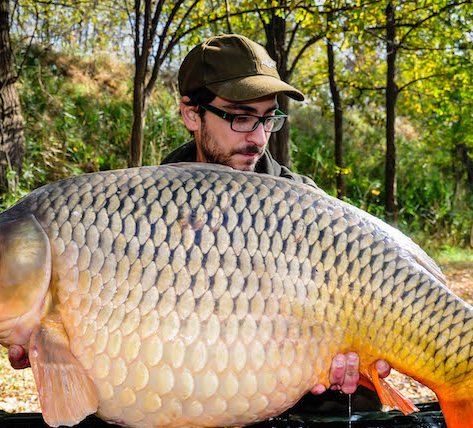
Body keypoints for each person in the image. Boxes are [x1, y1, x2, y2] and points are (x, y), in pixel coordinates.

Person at [161, 34, 392, 399]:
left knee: (352, 398)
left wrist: (351, 361)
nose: (257, 138)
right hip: (181, 391)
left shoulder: (307, 207)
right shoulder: (146, 212)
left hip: (277, 392)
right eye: (241, 118)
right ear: (192, 114)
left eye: (268, 119)